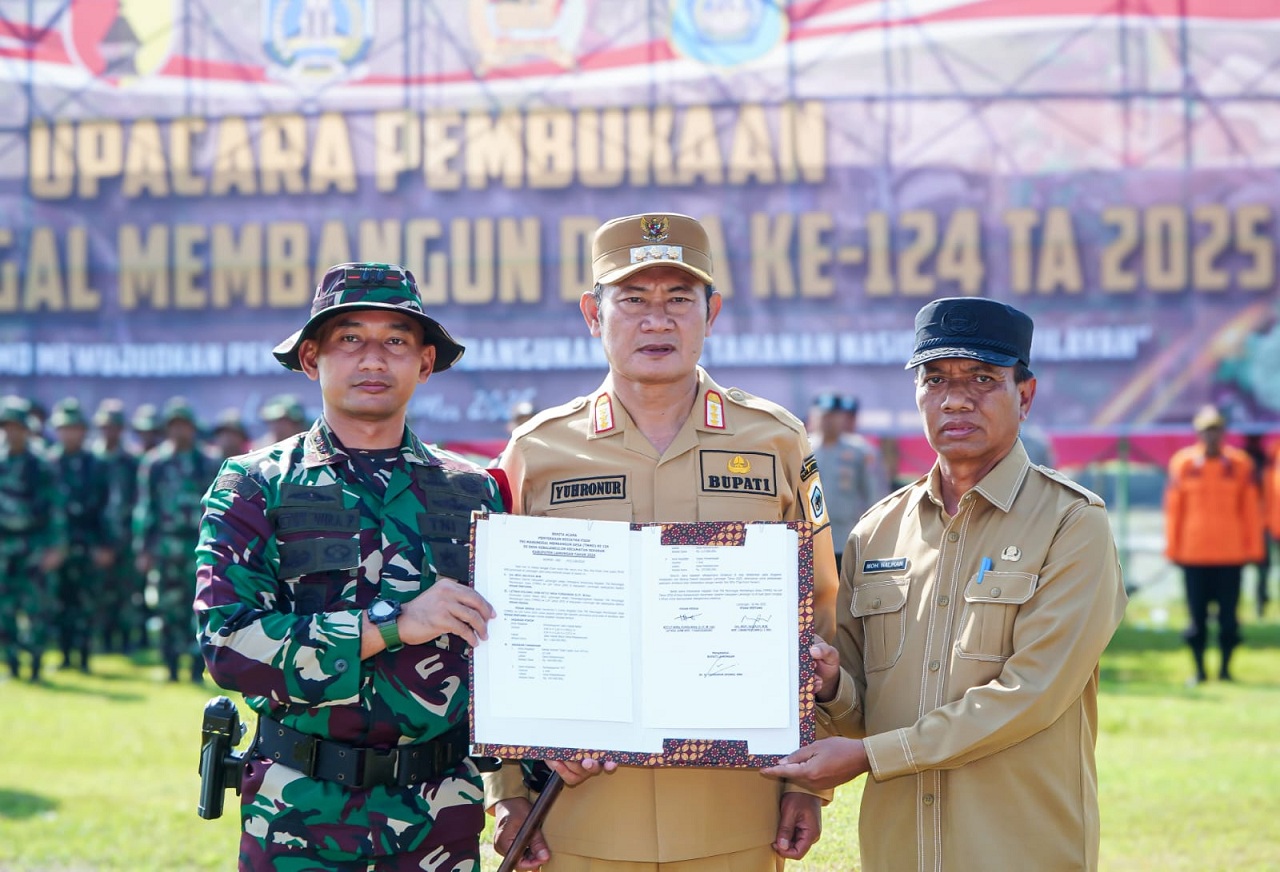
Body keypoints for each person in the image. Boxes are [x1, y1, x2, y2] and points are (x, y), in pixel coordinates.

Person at [487, 212, 839, 872]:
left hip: (736, 806)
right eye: (633, 300)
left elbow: (820, 606)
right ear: (594, 314)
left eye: (679, 299)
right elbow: (502, 627)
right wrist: (507, 794)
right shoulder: (537, 452)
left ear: (713, 313)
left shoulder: (775, 440)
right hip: (581, 809)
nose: (657, 321)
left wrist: (805, 783)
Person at [762, 297, 1128, 871]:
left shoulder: (1071, 523)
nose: (956, 398)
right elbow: (861, 707)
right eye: (935, 380)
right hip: (898, 851)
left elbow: (1030, 693)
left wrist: (870, 755)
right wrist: (833, 688)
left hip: (1018, 851)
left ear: (1024, 395)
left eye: (983, 378)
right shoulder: (877, 531)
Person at [194, 262, 505, 870]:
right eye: (349, 339)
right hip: (298, 812)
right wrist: (394, 623)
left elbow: (514, 650)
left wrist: (519, 785)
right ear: (312, 360)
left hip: (440, 816)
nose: (372, 359)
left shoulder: (476, 493)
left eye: (395, 341)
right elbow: (227, 645)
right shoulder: (255, 486)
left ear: (425, 362)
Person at [1164, 405, 1264, 683]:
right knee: (1196, 620)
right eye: (1207, 430)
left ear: (1224, 432)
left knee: (1229, 620)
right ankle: (1199, 670)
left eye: (1216, 429)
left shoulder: (1240, 464)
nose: (1212, 436)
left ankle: (1225, 670)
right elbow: (1174, 510)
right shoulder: (1183, 463)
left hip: (1231, 556)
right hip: (1193, 556)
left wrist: (1254, 550)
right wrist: (1173, 549)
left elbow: (1251, 511)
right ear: (1198, 432)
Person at [133, 396, 220, 683]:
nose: (180, 431)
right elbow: (147, 508)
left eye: (184, 425)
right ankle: (170, 666)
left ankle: (197, 667)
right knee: (168, 608)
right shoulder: (155, 463)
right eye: (174, 426)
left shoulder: (208, 462)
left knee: (202, 607)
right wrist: (143, 548)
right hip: (166, 546)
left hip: (201, 547)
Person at [0, 396, 66, 682]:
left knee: (36, 608)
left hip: (35, 546)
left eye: (17, 427)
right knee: (5, 610)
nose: (12, 432)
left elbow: (56, 509)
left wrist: (56, 547)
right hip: (4, 547)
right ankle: (12, 664)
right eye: (7, 427)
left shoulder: (42, 464)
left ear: (27, 429)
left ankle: (36, 665)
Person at [47, 398, 113, 673]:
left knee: (87, 602)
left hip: (88, 542)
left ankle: (84, 657)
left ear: (83, 430)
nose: (69, 433)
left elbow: (107, 507)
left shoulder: (96, 464)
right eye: (64, 428)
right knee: (60, 601)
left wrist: (105, 544)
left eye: (74, 428)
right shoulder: (47, 462)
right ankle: (64, 656)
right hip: (57, 544)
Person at [807, 392, 888, 572]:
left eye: (834, 416)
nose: (828, 421)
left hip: (846, 537)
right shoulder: (803, 449)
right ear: (814, 416)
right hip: (810, 537)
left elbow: (873, 494)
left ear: (842, 418)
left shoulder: (860, 450)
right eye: (823, 415)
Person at [92, 398, 142, 653]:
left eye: (115, 427)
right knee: (99, 593)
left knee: (126, 593)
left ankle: (125, 642)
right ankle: (102, 641)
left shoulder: (132, 462)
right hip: (98, 539)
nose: (110, 431)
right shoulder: (92, 460)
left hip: (126, 538)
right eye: (106, 426)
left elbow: (140, 501)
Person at [1242, 432, 1273, 617]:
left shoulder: (1267, 457)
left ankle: (1261, 602)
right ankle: (1259, 603)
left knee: (1264, 566)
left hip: (1267, 521)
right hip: (1250, 521)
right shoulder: (1241, 460)